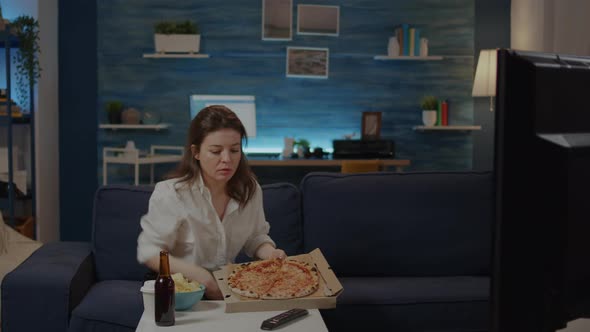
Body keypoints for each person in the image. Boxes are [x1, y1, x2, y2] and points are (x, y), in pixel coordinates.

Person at [137, 105, 286, 300]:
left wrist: (270, 253)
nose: (227, 159)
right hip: (180, 291)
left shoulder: (250, 190)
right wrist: (202, 277)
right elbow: (149, 252)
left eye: (234, 150)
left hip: (227, 287)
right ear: (196, 152)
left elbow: (255, 237)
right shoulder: (171, 193)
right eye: (216, 151)